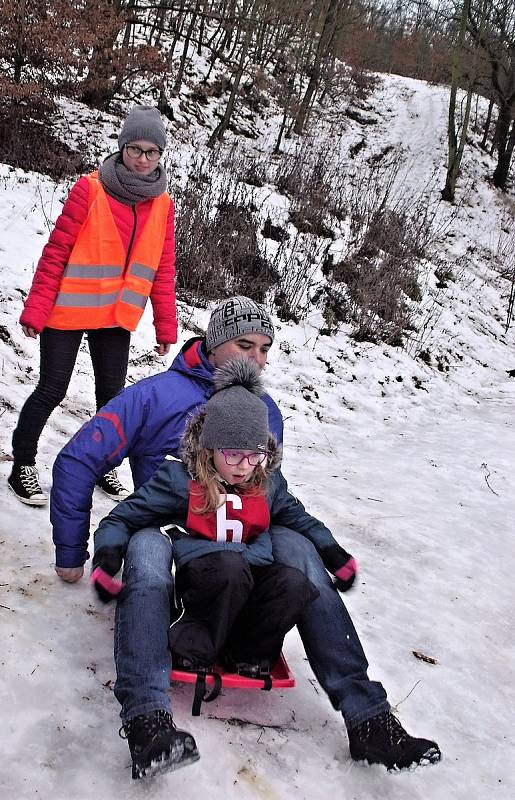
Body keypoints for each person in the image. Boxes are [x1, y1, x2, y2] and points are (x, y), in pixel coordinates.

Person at [51, 295, 441, 771]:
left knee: (300, 551)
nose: (256, 359)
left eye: (264, 349)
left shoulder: (266, 411)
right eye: (244, 345)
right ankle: (147, 718)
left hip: (233, 546)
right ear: (216, 344)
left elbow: (268, 493)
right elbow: (78, 459)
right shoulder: (153, 395)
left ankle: (369, 720)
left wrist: (321, 548)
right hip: (170, 528)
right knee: (147, 549)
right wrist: (73, 550)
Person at [91, 359, 324, 776]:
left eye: (253, 455)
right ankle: (188, 653)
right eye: (232, 453)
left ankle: (248, 654)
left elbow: (300, 518)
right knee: (229, 569)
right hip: (205, 590)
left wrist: (334, 553)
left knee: (292, 581)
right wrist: (109, 555)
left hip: (248, 593)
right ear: (208, 448)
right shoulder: (183, 480)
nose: (242, 465)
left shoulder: (266, 485)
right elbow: (123, 517)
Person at [8, 105, 177, 507]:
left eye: (151, 152)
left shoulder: (163, 205)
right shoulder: (91, 189)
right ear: (121, 148)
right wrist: (36, 308)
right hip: (67, 312)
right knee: (52, 388)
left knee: (112, 399)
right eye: (135, 149)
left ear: (160, 155)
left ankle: (103, 465)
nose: (142, 158)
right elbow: (56, 253)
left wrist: (165, 327)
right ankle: (23, 465)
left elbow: (163, 269)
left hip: (116, 318)